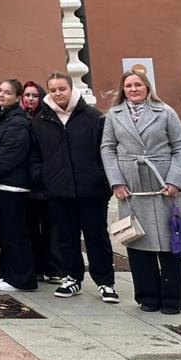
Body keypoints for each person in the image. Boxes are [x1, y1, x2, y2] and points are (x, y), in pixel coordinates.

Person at [101, 70, 181, 314]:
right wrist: (116, 182)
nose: (133, 89)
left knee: (169, 240)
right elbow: (107, 148)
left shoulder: (165, 112)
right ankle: (147, 296)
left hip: (162, 183)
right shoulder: (114, 116)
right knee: (136, 240)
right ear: (123, 89)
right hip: (131, 187)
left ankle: (172, 299)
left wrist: (175, 180)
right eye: (128, 85)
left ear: (147, 87)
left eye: (137, 84)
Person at [31, 71, 117, 303]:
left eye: (62, 89)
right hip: (58, 189)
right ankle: (72, 277)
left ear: (71, 89)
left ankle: (105, 281)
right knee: (65, 236)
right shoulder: (40, 121)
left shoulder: (93, 118)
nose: (58, 93)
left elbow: (106, 151)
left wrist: (103, 179)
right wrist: (43, 177)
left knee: (96, 236)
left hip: (92, 190)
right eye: (53, 90)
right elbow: (34, 154)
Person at [0, 79, 37, 292]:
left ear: (18, 98)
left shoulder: (18, 120)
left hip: (13, 186)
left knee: (15, 234)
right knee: (3, 233)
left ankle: (22, 279)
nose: (2, 94)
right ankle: (8, 274)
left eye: (8, 93)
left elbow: (12, 151)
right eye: (0, 90)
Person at [20, 79, 61, 283]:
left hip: (46, 183)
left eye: (34, 95)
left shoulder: (47, 118)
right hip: (25, 183)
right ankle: (35, 266)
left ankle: (53, 268)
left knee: (51, 228)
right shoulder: (19, 118)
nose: (30, 99)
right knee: (29, 228)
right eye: (27, 95)